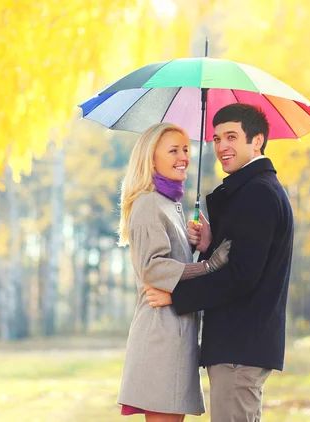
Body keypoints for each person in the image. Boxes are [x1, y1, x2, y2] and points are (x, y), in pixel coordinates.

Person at [145, 104, 295, 422]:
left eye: (231, 136)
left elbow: (242, 276)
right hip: (238, 343)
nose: (222, 146)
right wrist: (211, 243)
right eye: (216, 138)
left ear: (257, 141)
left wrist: (177, 297)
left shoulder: (259, 194)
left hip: (240, 343)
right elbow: (244, 259)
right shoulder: (253, 191)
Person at [116, 122, 231, 422]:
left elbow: (173, 264)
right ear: (151, 159)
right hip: (159, 335)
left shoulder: (170, 204)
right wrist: (207, 266)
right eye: (173, 150)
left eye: (186, 149)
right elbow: (153, 268)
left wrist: (194, 245)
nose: (183, 156)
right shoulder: (147, 204)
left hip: (176, 332)